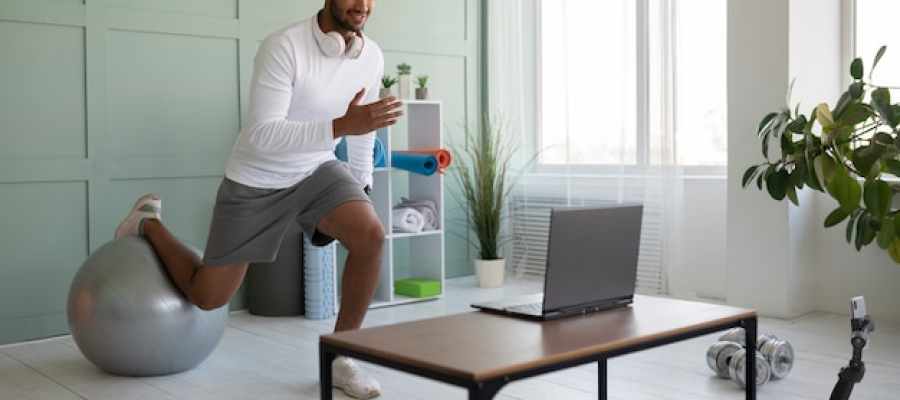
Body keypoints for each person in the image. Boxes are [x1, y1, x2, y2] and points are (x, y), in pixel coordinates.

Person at [114, 1, 402, 398]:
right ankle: (147, 222)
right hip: (258, 178)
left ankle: (341, 358)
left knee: (371, 235)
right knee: (208, 296)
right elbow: (262, 135)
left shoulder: (371, 56)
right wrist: (340, 125)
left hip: (316, 169)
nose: (363, 5)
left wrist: (361, 185)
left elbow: (364, 127)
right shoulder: (282, 46)